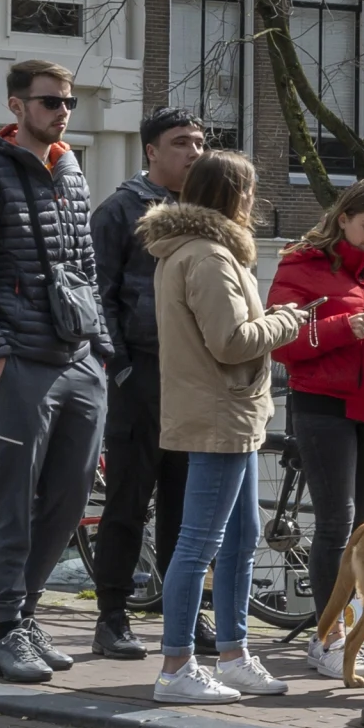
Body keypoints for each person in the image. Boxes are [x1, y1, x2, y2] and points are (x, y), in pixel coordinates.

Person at [0, 58, 111, 685]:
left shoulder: (71, 168)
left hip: (77, 359)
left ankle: (26, 617)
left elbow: (87, 267)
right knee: (10, 497)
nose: (61, 111)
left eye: (67, 102)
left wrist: (101, 347)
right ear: (15, 107)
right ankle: (6, 625)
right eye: (49, 101)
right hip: (17, 363)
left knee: (68, 499)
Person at [141, 150, 315, 705]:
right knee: (198, 543)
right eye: (250, 192)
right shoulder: (209, 257)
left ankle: (234, 653)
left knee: (239, 539)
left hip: (228, 410)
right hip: (220, 411)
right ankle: (175, 666)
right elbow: (231, 341)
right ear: (233, 196)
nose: (254, 203)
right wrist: (288, 319)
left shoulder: (196, 251)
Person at [264, 176, 364, 680]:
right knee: (335, 524)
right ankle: (327, 639)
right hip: (323, 405)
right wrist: (342, 327)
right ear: (342, 218)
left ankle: (349, 633)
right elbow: (281, 342)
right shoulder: (301, 265)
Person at [85, 107, 208, 660]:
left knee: (187, 508)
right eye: (182, 142)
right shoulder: (118, 211)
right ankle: (112, 617)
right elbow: (98, 294)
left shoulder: (207, 213)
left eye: (201, 142)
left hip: (194, 380)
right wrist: (121, 366)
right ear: (151, 151)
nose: (195, 152)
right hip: (141, 375)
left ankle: (182, 616)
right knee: (128, 502)